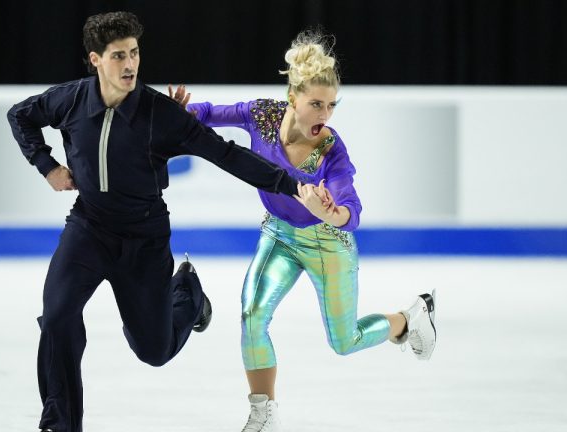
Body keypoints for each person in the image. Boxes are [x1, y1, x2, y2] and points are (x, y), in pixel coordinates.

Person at [6, 11, 318, 432]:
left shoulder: (160, 114)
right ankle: (61, 423)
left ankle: (187, 295)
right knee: (58, 316)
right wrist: (47, 166)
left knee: (153, 350)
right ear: (95, 59)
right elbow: (20, 115)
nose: (130, 64)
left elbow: (224, 153)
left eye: (134, 53)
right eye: (118, 56)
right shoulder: (72, 100)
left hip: (143, 239)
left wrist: (290, 183)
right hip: (89, 228)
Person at [172, 30, 437, 432]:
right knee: (251, 314)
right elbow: (208, 113)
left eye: (332, 105)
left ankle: (410, 317)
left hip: (329, 245)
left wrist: (330, 215)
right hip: (279, 235)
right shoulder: (261, 114)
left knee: (343, 342)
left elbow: (353, 211)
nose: (325, 115)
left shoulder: (331, 150)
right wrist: (184, 113)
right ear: (292, 98)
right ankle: (264, 413)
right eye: (316, 104)